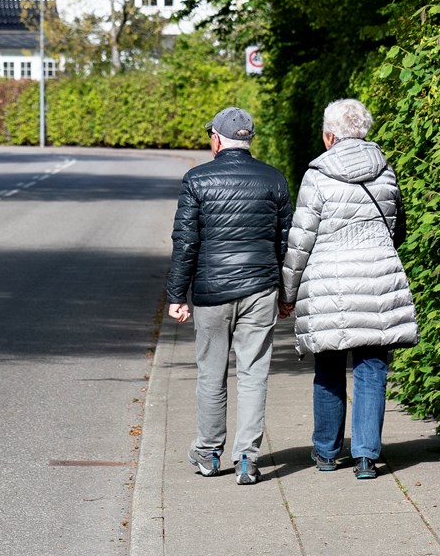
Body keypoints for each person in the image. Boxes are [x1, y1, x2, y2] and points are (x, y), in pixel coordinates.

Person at [279, 98, 419, 480]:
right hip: (378, 278)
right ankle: (365, 457)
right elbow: (397, 229)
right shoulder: (386, 170)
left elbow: (300, 241)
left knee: (327, 365)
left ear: (329, 136)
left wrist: (288, 293)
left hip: (329, 284)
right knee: (372, 368)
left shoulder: (318, 174)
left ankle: (325, 452)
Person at [166, 106, 292, 485]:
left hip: (211, 291)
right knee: (254, 374)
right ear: (247, 139)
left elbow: (185, 242)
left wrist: (177, 294)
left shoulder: (196, 180)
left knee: (210, 373)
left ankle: (207, 452)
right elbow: (286, 242)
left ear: (217, 139)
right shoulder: (274, 180)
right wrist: (287, 294)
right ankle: (247, 459)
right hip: (260, 288)